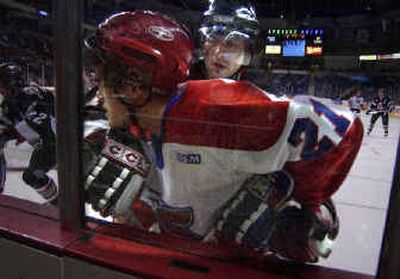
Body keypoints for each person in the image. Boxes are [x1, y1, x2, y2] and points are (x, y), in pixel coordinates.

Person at [84, 11, 364, 264]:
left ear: (132, 86)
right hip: (176, 258)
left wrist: (290, 195)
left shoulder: (215, 109)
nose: (98, 89)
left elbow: (341, 126)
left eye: (102, 78)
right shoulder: (137, 128)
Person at [0, 62, 57, 204]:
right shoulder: (10, 103)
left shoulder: (29, 93)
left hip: (64, 140)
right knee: (31, 176)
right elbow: (9, 124)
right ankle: (59, 203)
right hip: (48, 146)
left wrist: (12, 133)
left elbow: (39, 120)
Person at [190, 0, 260, 80]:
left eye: (230, 44)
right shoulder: (179, 87)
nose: (218, 52)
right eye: (213, 40)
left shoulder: (254, 91)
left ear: (246, 53)